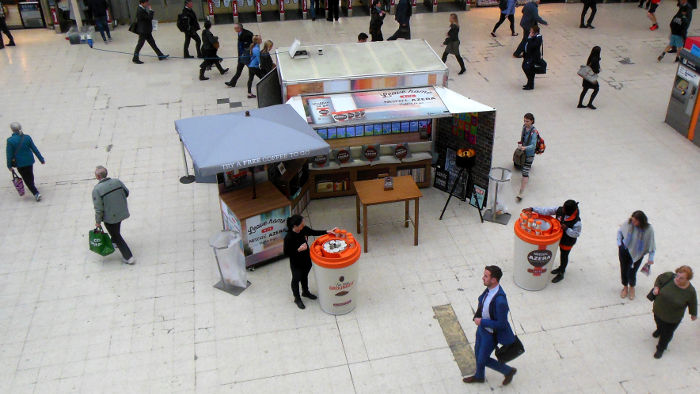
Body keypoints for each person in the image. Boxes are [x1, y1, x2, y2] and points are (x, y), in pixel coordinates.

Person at [463, 266, 518, 386]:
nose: (483, 278)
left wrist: (481, 322)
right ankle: (479, 376)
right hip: (482, 330)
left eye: (486, 276)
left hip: (491, 335)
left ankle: (508, 371)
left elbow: (501, 324)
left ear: (494, 280)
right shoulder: (489, 290)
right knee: (477, 354)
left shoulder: (500, 301)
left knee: (483, 359)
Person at [283, 215, 338, 309]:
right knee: (296, 279)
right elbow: (286, 253)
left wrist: (326, 231)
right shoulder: (289, 237)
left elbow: (313, 232)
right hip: (296, 262)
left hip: (306, 259)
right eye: (301, 224)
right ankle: (297, 298)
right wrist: (298, 250)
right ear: (295, 226)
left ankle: (305, 292)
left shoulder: (303, 229)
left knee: (304, 276)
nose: (303, 225)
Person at [525, 201, 582, 283]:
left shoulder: (577, 222)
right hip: (557, 238)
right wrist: (533, 209)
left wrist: (566, 229)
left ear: (569, 211)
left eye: (564, 209)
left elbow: (576, 234)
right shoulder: (560, 210)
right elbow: (546, 210)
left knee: (564, 255)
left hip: (567, 241)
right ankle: (560, 268)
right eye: (563, 206)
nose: (562, 209)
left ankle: (561, 272)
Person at [650, 266, 697, 359]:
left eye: (681, 278)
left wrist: (693, 313)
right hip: (658, 310)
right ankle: (659, 329)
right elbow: (659, 279)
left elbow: (693, 303)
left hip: (672, 318)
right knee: (658, 322)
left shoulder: (690, 291)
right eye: (677, 276)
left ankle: (661, 348)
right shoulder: (669, 276)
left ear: (688, 279)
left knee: (666, 334)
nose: (678, 279)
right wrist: (656, 287)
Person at [92, 166, 135, 265]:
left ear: (98, 176)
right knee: (116, 228)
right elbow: (126, 192)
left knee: (116, 234)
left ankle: (128, 256)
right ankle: (114, 242)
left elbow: (98, 208)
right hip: (121, 211)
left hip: (110, 217)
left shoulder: (97, 190)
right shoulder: (117, 182)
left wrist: (97, 222)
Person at [617, 211, 656, 300]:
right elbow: (620, 231)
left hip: (637, 254)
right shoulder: (629, 223)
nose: (633, 223)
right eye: (633, 220)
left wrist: (651, 258)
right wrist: (619, 243)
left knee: (632, 272)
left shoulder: (648, 229)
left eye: (636, 221)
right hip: (624, 250)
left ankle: (632, 287)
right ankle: (625, 287)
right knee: (623, 269)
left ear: (641, 221)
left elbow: (652, 244)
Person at [5, 122, 45, 201]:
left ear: (12, 130)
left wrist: (9, 165)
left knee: (26, 178)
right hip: (29, 160)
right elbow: (34, 149)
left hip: (20, 163)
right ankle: (32, 186)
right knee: (30, 174)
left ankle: (36, 193)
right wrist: (41, 159)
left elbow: (9, 154)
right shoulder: (27, 137)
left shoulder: (10, 141)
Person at [132, 0, 168, 64]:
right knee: (140, 44)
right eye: (146, 2)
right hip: (143, 31)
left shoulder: (141, 8)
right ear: (142, 3)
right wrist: (151, 11)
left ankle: (160, 55)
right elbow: (149, 18)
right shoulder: (140, 10)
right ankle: (135, 58)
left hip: (146, 30)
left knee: (153, 43)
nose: (147, 3)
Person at [515, 113, 537, 201]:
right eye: (524, 120)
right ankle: (526, 176)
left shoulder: (534, 132)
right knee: (521, 165)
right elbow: (522, 138)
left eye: (527, 121)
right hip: (523, 152)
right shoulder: (524, 127)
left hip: (529, 154)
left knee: (524, 172)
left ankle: (521, 193)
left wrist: (525, 147)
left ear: (532, 121)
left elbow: (533, 145)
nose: (525, 122)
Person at [225, 23, 254, 88]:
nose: (234, 29)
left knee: (252, 69)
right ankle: (232, 83)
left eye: (235, 28)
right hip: (241, 56)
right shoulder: (240, 33)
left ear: (239, 28)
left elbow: (249, 45)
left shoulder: (247, 34)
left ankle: (261, 77)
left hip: (246, 56)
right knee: (239, 70)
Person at [521, 24, 542, 91]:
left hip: (532, 57)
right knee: (528, 69)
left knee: (527, 68)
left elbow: (532, 46)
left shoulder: (538, 38)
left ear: (535, 33)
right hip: (527, 56)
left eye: (531, 32)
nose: (530, 33)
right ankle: (530, 83)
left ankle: (530, 83)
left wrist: (530, 38)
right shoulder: (533, 37)